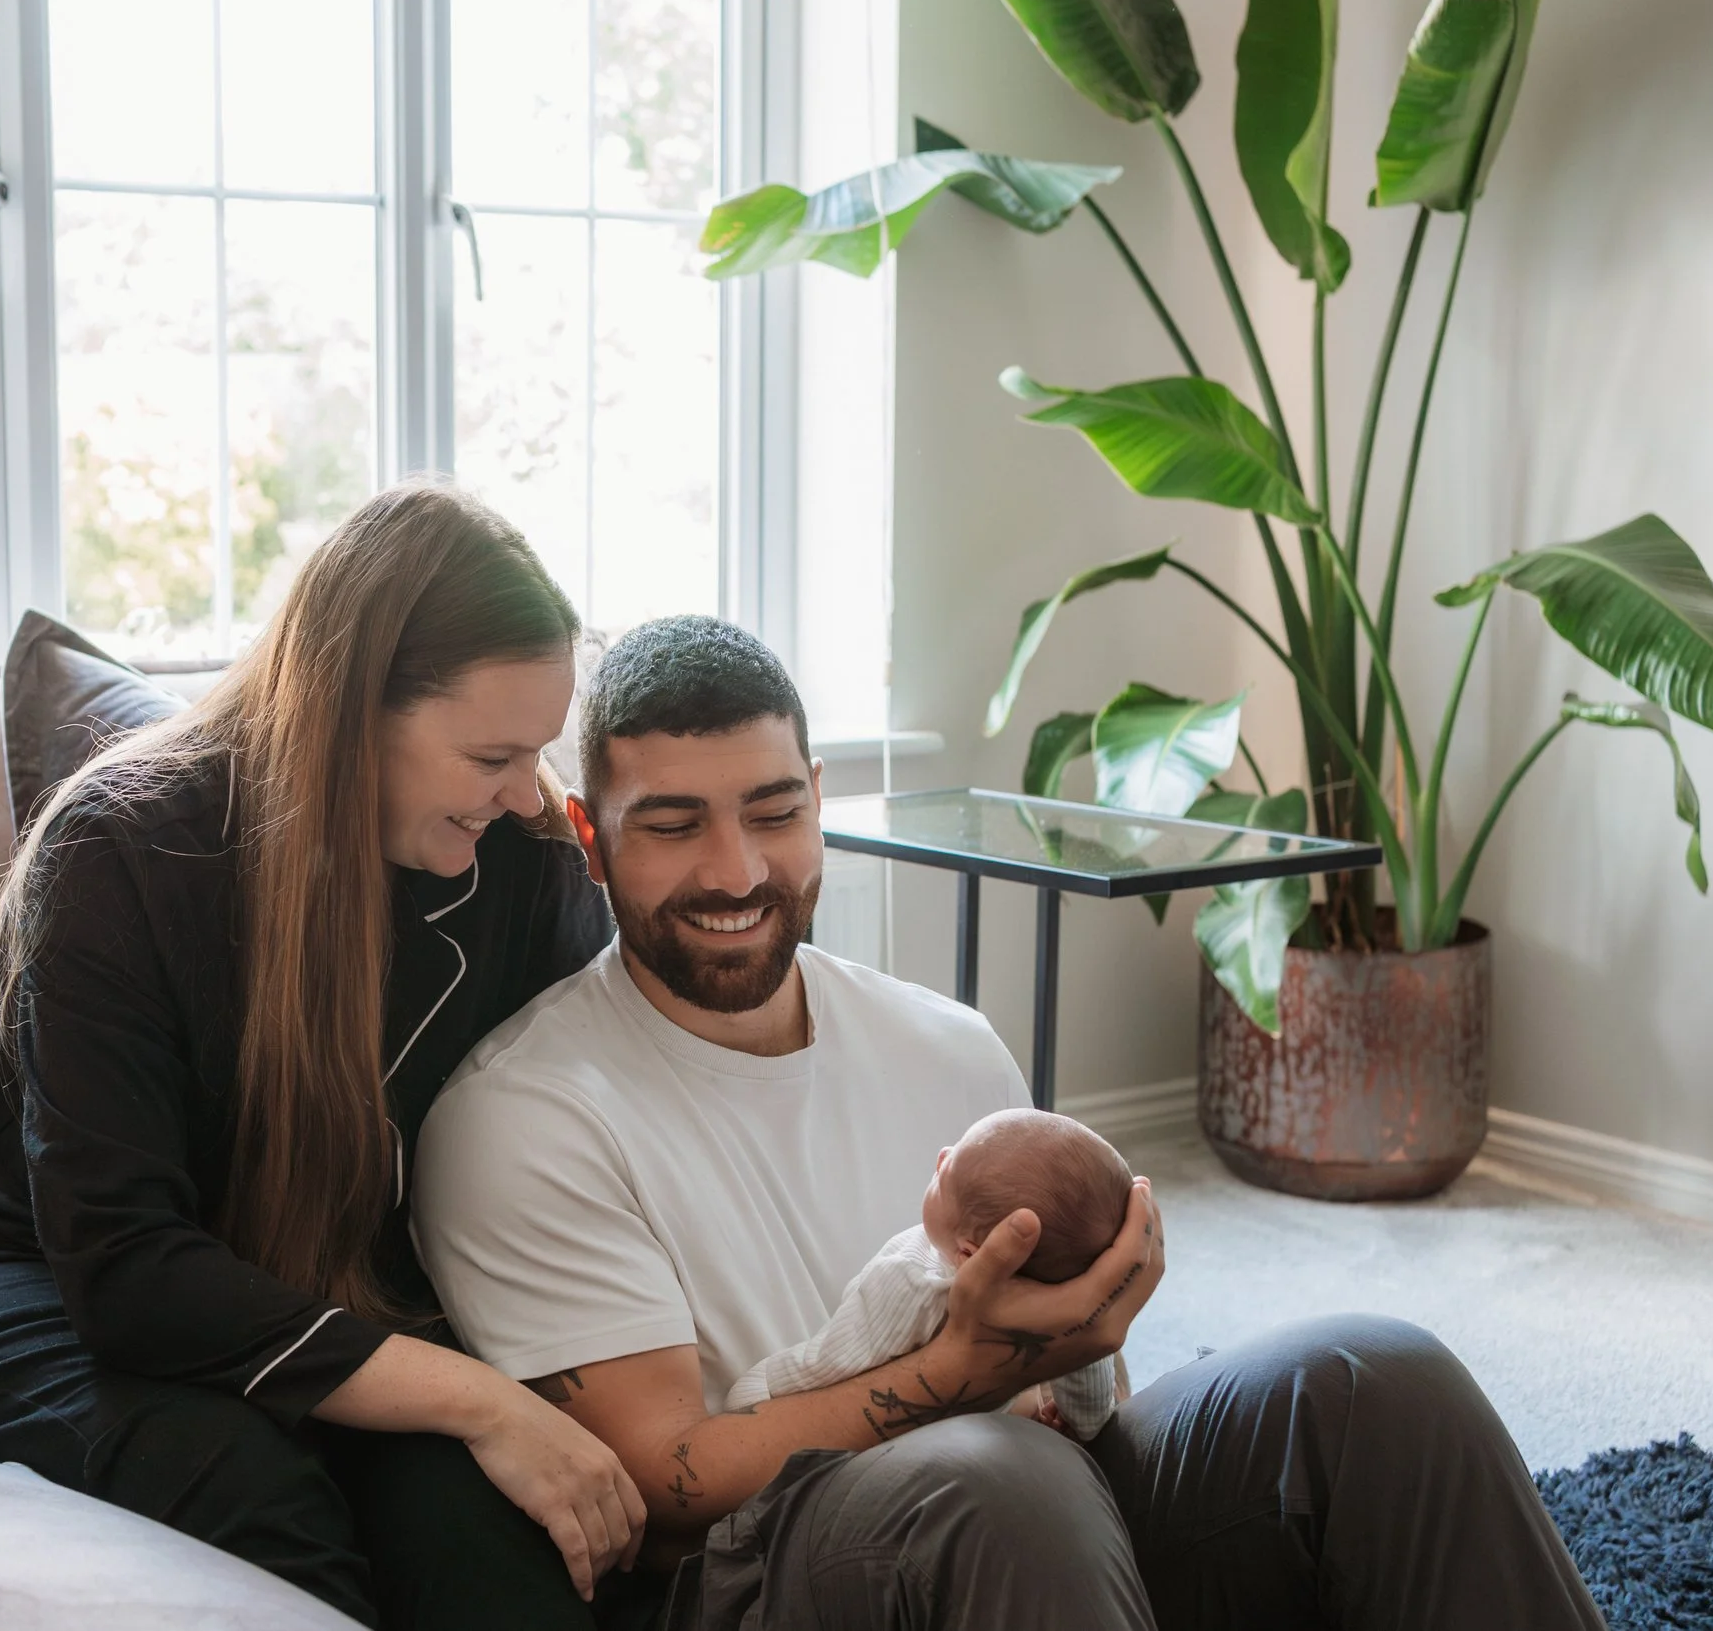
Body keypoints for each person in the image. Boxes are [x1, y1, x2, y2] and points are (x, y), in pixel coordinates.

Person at [413, 614, 1607, 1631]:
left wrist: (1076, 1334)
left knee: (1370, 1376)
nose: (736, 870)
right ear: (589, 834)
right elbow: (662, 1484)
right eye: (673, 826)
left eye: (772, 811)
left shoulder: (945, 1041)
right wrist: (958, 1372)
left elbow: (1090, 1391)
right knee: (1002, 1469)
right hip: (763, 1579)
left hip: (1029, 1525)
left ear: (818, 801)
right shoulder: (524, 1113)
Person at [0, 483, 652, 1631]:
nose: (526, 793)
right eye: (490, 753)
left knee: (502, 1544)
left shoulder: (519, 863)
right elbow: (125, 1265)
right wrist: (479, 1398)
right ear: (352, 705)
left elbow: (615, 1111)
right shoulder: (123, 846)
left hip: (328, 1298)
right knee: (252, 1489)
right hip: (31, 1286)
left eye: (535, 752)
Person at [726, 1108, 1130, 1445]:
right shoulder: (1069, 1305)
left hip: (912, 1439)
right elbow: (1088, 1368)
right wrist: (1085, 1422)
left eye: (945, 1175)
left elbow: (834, 1360)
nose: (941, 1154)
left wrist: (760, 1390)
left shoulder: (912, 1283)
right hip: (993, 1417)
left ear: (970, 1255)